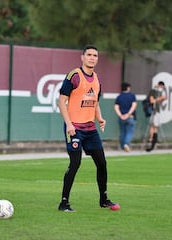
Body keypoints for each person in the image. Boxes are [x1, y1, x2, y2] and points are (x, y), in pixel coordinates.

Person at [57, 45, 120, 212]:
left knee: (102, 163)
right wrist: (69, 124)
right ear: (82, 57)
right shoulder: (74, 76)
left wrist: (99, 118)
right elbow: (61, 101)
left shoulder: (97, 79)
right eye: (89, 55)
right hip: (75, 128)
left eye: (95, 55)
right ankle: (64, 203)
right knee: (75, 163)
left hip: (90, 129)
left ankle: (104, 199)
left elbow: (95, 102)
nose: (92, 58)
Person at [114, 82, 137, 152]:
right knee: (129, 132)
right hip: (130, 117)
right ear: (128, 88)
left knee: (122, 132)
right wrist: (128, 114)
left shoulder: (119, 97)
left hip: (121, 117)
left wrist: (120, 115)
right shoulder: (132, 96)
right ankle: (126, 144)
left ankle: (122, 146)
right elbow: (134, 105)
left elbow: (116, 107)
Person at [146, 81, 166, 152]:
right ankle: (151, 139)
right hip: (153, 111)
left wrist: (157, 99)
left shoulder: (161, 92)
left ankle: (154, 140)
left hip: (157, 110)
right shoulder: (153, 91)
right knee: (153, 125)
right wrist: (156, 99)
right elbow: (152, 101)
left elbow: (164, 97)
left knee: (155, 126)